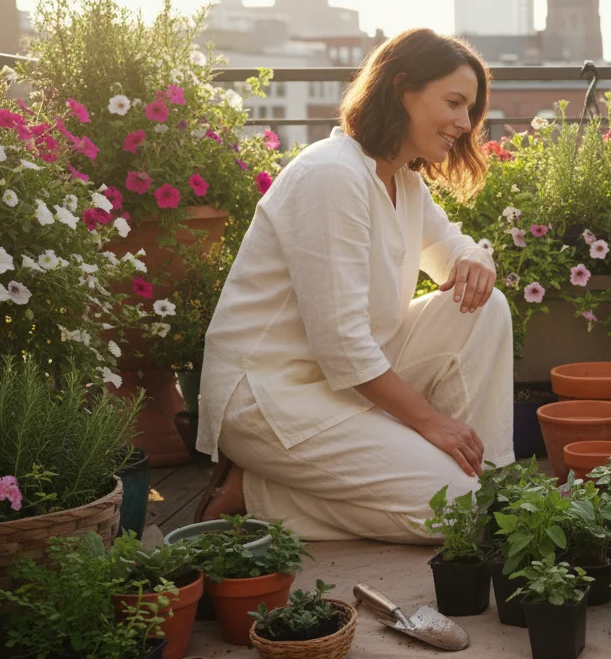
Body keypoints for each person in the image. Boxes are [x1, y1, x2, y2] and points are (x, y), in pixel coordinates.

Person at [193, 28, 512, 543]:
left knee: (484, 306)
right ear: (401, 88)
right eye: (453, 102)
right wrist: (430, 421)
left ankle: (485, 478)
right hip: (271, 396)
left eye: (469, 108)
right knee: (453, 513)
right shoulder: (331, 175)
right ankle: (254, 493)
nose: (464, 121)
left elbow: (450, 248)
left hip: (340, 382)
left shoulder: (401, 180)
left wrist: (476, 257)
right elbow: (341, 344)